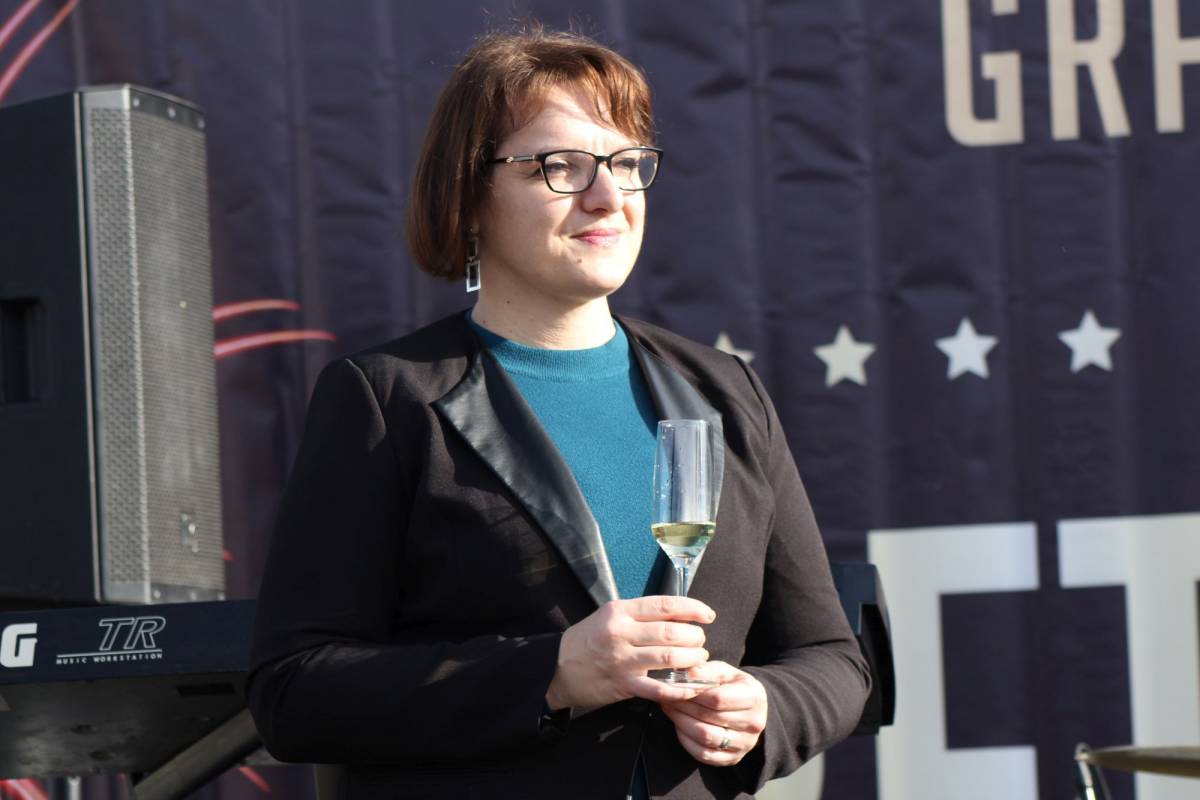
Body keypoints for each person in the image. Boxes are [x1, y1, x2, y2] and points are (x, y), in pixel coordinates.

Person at [247, 25, 870, 800]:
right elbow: (294, 691)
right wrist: (553, 674)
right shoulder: (388, 399)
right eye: (562, 166)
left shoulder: (726, 393)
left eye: (627, 163)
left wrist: (764, 706)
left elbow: (832, 659)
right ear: (469, 196)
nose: (608, 196)